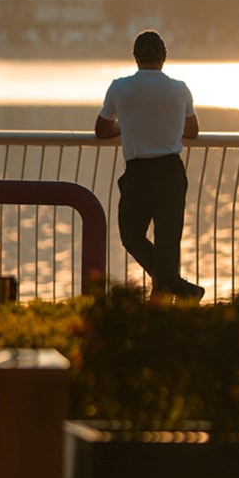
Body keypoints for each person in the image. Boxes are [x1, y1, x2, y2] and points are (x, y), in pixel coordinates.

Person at [95, 29, 205, 300]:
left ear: (135, 57)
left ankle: (169, 293)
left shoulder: (120, 87)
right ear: (164, 57)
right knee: (169, 242)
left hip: (139, 173)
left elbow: (101, 128)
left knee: (131, 235)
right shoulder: (179, 89)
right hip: (170, 172)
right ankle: (177, 287)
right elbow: (192, 131)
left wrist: (130, 126)